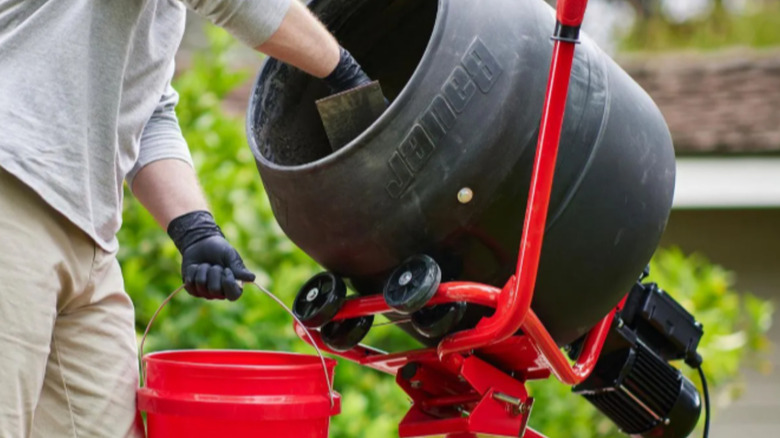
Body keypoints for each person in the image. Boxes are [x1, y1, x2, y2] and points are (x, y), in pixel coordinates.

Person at [0, 0, 372, 436]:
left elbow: (146, 114)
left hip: (86, 237)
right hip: (15, 192)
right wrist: (346, 75)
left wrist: (194, 228)